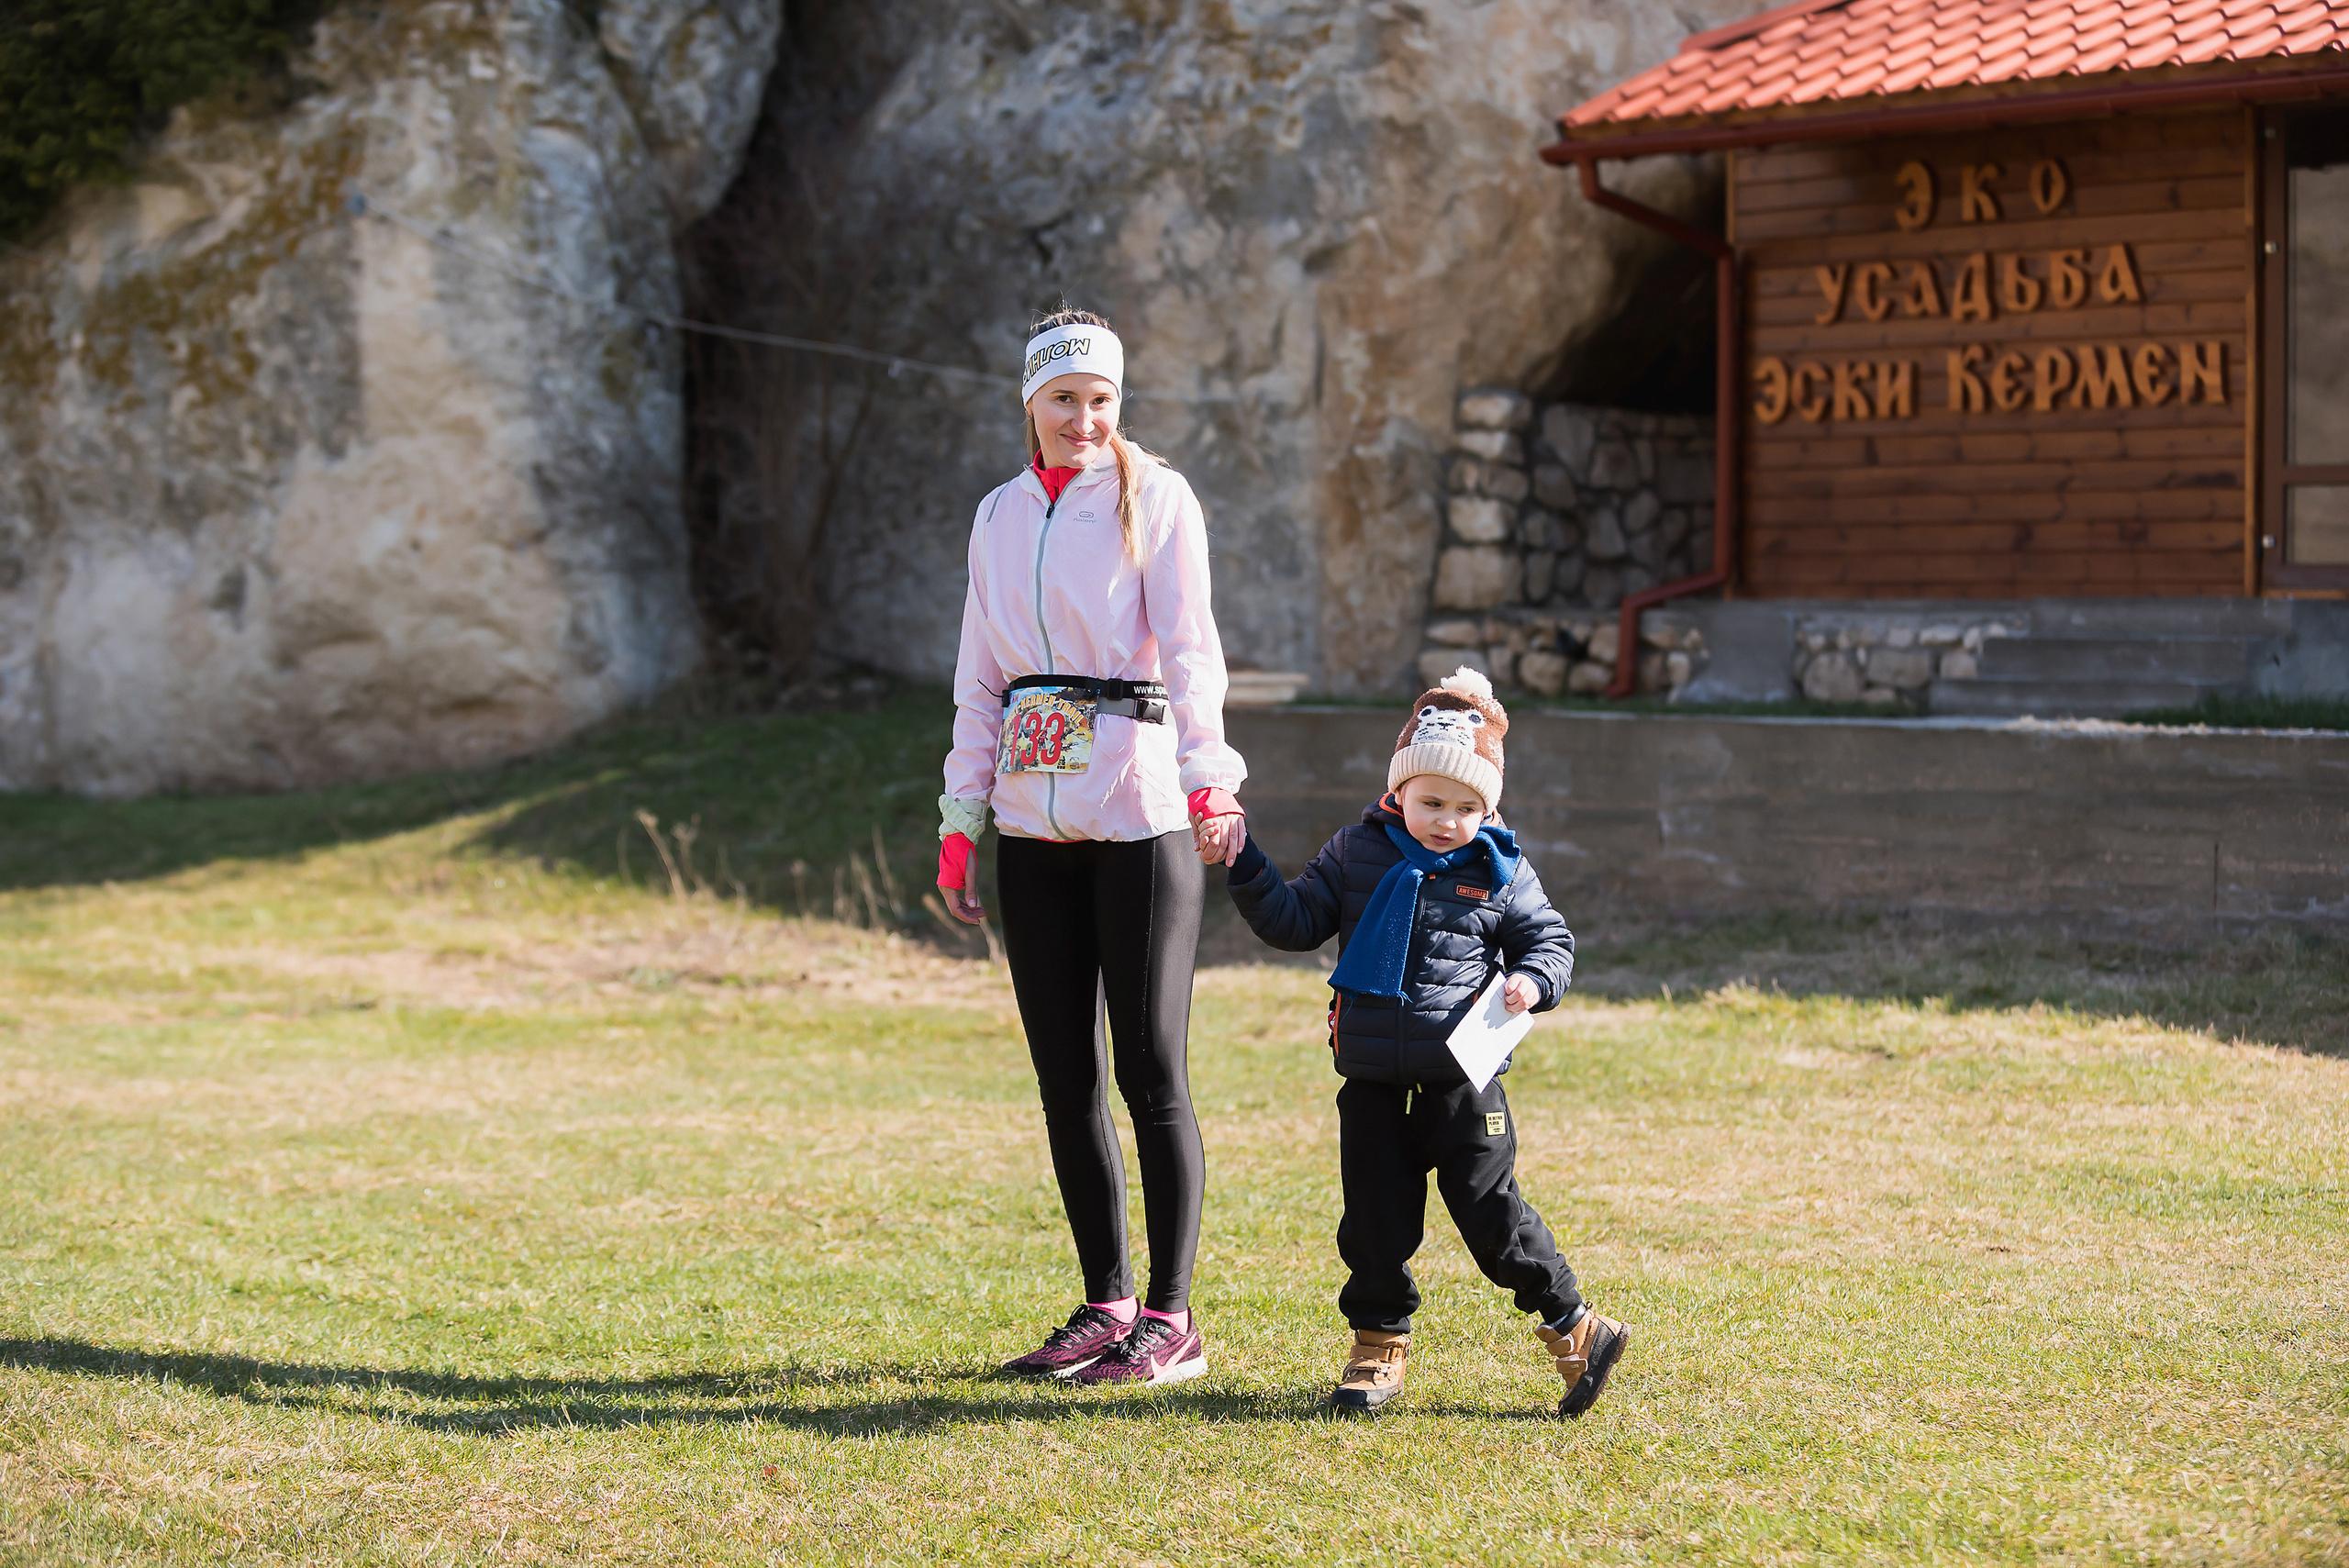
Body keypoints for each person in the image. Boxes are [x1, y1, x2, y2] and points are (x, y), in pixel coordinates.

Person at [936, 308, 1247, 1388]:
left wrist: (1213, 779)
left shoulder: (1153, 498)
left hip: (1139, 816)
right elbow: (982, 673)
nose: (1084, 418)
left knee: (1149, 1069)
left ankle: (1172, 1319)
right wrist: (959, 816)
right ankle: (1105, 1301)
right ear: (1029, 402)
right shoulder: (996, 514)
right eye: (1064, 399)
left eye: (1102, 399)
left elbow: (1195, 653)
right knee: (1063, 1076)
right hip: (1030, 823)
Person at [1220, 667, 1631, 1417]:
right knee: (1373, 1221)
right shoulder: (1356, 852)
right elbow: (1293, 920)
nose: (1446, 820)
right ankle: (1377, 1349)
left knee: (1491, 1214)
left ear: (1489, 805)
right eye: (1431, 801)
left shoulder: (1500, 868)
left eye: (1467, 806)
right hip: (1375, 1078)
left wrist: (1533, 982)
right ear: (1398, 792)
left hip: (1463, 1082)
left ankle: (1577, 1329)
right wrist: (1245, 864)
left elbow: (1551, 940)